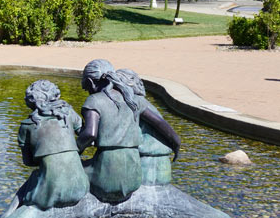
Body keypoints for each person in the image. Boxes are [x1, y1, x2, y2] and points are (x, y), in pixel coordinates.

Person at [76, 59, 144, 203]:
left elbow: (90, 133)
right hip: (134, 177)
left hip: (107, 179)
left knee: (61, 170)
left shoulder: (94, 100)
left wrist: (75, 151)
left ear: (90, 82)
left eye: (86, 87)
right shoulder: (131, 98)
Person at [16, 80, 89, 210]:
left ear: (30, 100)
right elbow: (86, 135)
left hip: (50, 195)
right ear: (55, 96)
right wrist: (74, 151)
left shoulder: (26, 126)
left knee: (31, 181)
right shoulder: (69, 113)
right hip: (81, 187)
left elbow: (28, 162)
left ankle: (8, 215)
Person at [116, 69, 181, 186]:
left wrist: (176, 144)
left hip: (146, 162)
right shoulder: (142, 102)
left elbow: (161, 124)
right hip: (161, 163)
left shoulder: (135, 102)